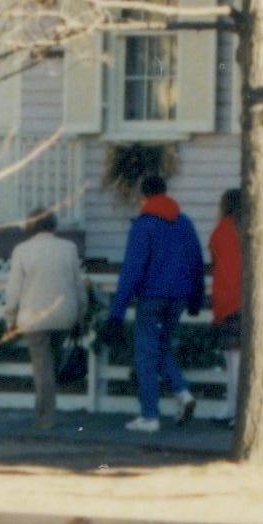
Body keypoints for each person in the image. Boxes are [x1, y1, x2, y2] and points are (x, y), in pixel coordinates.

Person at [102, 174, 207, 433]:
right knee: (161, 347)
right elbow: (197, 262)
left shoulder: (143, 225)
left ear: (143, 196)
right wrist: (197, 298)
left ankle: (150, 415)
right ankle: (182, 393)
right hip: (180, 297)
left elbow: (132, 270)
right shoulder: (184, 223)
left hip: (151, 297)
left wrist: (117, 311)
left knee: (146, 354)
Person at [0, 211, 87, 432]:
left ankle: (45, 417)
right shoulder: (69, 248)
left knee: (42, 368)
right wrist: (80, 314)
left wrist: (10, 317)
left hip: (34, 316)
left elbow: (13, 290)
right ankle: (44, 411)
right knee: (51, 365)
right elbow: (79, 286)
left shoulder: (22, 250)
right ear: (53, 225)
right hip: (64, 314)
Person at [207, 187, 245, 422]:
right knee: (240, 363)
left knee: (233, 362)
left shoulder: (221, 231)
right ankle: (235, 410)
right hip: (246, 301)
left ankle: (233, 408)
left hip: (227, 301)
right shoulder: (247, 231)